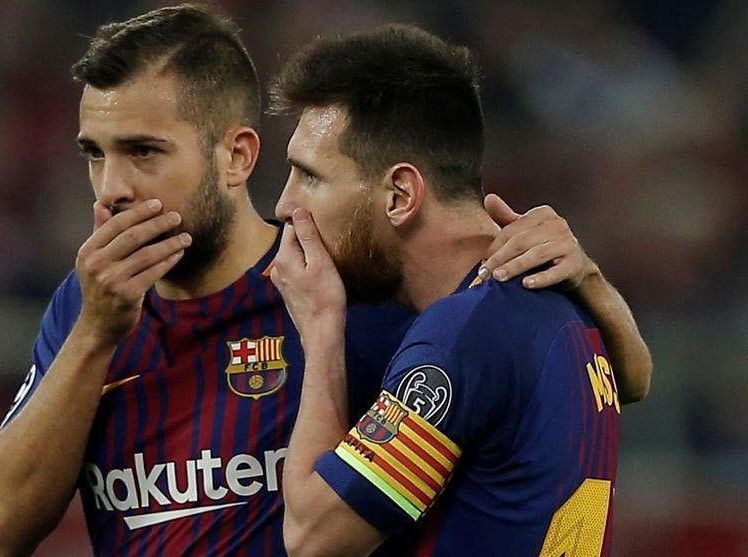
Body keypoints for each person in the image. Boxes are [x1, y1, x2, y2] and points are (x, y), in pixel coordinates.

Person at [0, 6, 650, 556]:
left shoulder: (350, 289)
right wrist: (93, 336)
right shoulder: (89, 305)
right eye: (95, 155)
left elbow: (600, 379)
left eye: (143, 151)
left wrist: (584, 278)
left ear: (236, 156)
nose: (110, 188)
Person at [268, 23, 646, 556]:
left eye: (310, 177)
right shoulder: (559, 298)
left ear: (400, 195)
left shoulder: (460, 335)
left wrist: (321, 328)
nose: (285, 205)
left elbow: (313, 539)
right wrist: (591, 277)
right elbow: (635, 381)